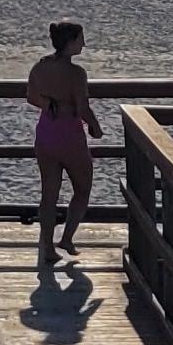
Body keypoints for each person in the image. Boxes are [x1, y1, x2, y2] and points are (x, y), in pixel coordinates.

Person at [25, 18, 103, 265]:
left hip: (46, 132)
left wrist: (49, 104)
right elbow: (83, 107)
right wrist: (95, 127)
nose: (84, 44)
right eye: (81, 39)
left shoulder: (40, 67)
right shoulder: (76, 73)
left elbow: (30, 97)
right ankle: (67, 237)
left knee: (49, 193)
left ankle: (47, 246)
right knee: (82, 188)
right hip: (70, 135)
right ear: (70, 42)